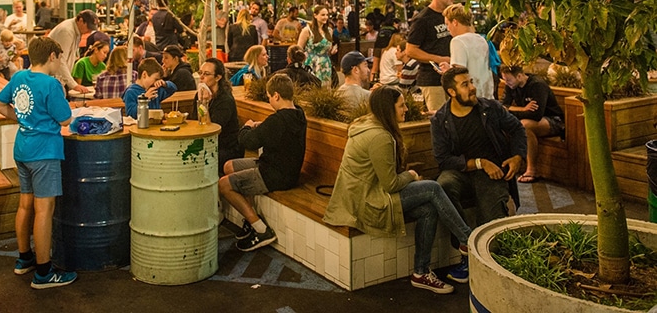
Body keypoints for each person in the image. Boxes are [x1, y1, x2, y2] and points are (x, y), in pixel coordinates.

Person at [324, 86, 472, 294]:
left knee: (428, 209)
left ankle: (420, 272)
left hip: (360, 196)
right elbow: (391, 185)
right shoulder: (379, 137)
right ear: (388, 108)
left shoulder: (367, 124)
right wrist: (411, 175)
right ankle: (468, 240)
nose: (406, 110)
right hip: (369, 201)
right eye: (401, 105)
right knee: (432, 188)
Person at [0, 37, 77, 289]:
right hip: (44, 152)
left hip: (23, 148)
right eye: (58, 57)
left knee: (25, 205)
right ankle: (43, 272)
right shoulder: (50, 84)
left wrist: (21, 119)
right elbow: (65, 120)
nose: (59, 62)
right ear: (51, 56)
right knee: (44, 211)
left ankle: (24, 258)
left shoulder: (18, 77)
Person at [431, 65, 526, 283]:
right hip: (462, 171)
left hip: (492, 175)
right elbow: (443, 159)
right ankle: (466, 249)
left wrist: (518, 157)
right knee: (442, 186)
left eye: (471, 82)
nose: (472, 88)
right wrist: (480, 163)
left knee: (490, 222)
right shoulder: (440, 120)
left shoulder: (490, 108)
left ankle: (490, 265)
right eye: (465, 84)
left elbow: (517, 129)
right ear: (451, 92)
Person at [219, 74, 306, 252]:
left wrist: (247, 126)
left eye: (268, 97)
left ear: (276, 96)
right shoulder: (298, 113)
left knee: (224, 184)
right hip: (281, 168)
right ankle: (251, 222)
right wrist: (263, 126)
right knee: (229, 166)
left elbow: (247, 142)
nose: (269, 100)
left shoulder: (277, 121)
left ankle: (261, 229)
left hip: (275, 175)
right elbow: (275, 131)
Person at [500, 65, 565, 183]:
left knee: (524, 125)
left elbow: (535, 115)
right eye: (504, 79)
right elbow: (503, 106)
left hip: (554, 120)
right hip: (533, 119)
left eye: (508, 79)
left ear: (519, 76)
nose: (506, 82)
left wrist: (514, 110)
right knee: (504, 123)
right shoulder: (510, 85)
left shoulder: (537, 85)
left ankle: (531, 170)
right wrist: (523, 109)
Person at [406, 0, 456, 112]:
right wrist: (440, 59)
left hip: (451, 78)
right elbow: (410, 50)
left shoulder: (450, 15)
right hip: (432, 80)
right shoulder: (423, 19)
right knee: (439, 120)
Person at [195, 58, 243, 172]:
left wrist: (204, 103)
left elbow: (211, 130)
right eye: (200, 73)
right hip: (209, 144)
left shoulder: (225, 100)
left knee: (196, 160)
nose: (201, 77)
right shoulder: (200, 94)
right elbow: (196, 122)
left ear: (218, 77)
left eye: (206, 74)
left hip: (227, 148)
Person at [442, 4, 494, 99]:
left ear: (455, 22)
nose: (448, 28)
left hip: (470, 97)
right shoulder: (481, 39)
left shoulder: (457, 41)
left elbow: (459, 74)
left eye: (447, 24)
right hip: (487, 95)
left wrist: (447, 71)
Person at [48, 10, 98, 94]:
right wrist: (74, 85)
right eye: (88, 27)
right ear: (80, 20)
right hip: (51, 80)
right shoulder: (67, 31)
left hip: (56, 80)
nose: (89, 31)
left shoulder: (76, 31)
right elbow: (60, 61)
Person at [298, 5, 337, 87]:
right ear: (315, 15)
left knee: (325, 88)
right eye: (323, 15)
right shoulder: (307, 30)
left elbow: (328, 51)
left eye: (327, 15)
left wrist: (332, 51)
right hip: (311, 64)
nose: (325, 17)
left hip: (325, 64)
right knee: (313, 87)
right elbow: (298, 49)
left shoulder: (329, 31)